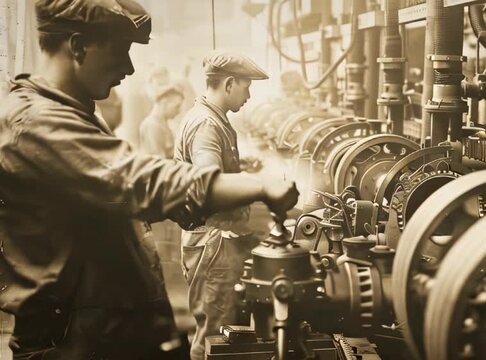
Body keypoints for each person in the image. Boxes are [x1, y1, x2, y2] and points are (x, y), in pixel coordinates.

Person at [0, 1, 298, 359]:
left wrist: (189, 209)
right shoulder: (36, 123)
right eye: (121, 51)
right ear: (78, 46)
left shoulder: (74, 112)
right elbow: (136, 179)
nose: (128, 68)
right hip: (73, 345)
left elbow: (115, 200)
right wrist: (259, 185)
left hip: (105, 335)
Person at [174, 50, 270, 360]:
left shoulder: (211, 118)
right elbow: (210, 187)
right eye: (246, 86)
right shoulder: (207, 125)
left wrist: (239, 167)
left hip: (214, 240)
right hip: (214, 244)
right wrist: (265, 189)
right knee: (216, 337)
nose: (249, 94)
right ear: (229, 84)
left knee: (219, 330)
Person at [139, 82, 184, 158]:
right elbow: (160, 162)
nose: (179, 111)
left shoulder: (164, 124)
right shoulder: (152, 126)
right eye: (177, 106)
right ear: (164, 103)